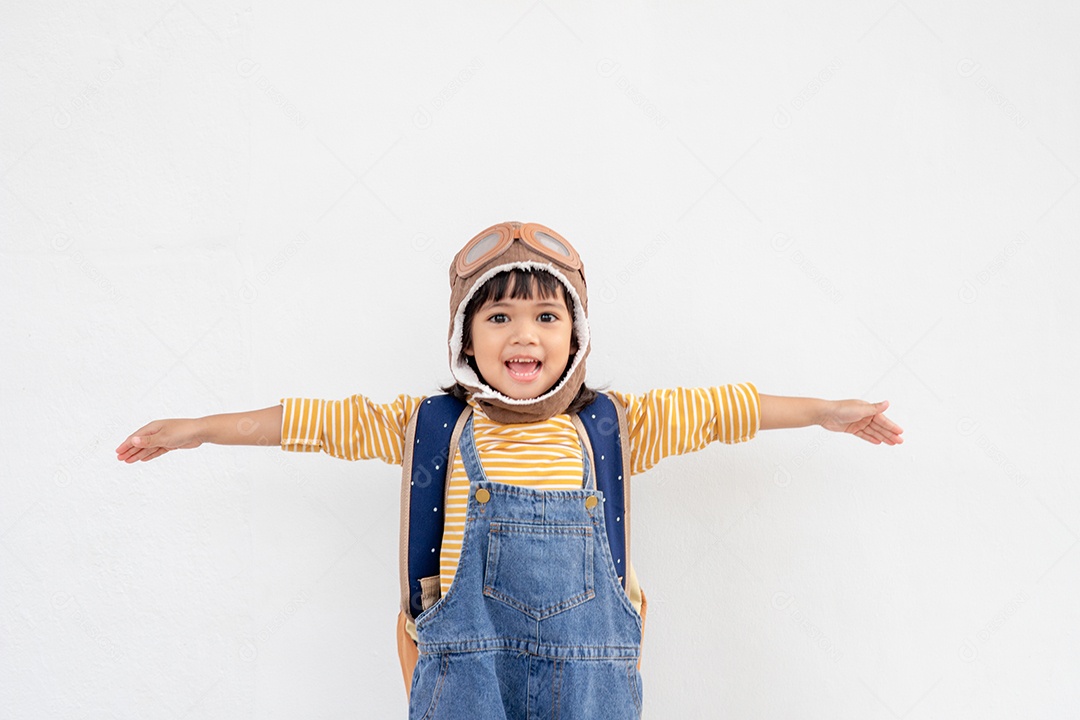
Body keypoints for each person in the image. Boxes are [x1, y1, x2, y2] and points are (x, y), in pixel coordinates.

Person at [116, 221, 903, 718]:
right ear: (465, 338)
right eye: (499, 316)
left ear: (576, 336)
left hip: (591, 685)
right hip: (468, 677)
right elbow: (305, 423)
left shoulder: (614, 427)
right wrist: (195, 430)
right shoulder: (431, 426)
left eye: (546, 316)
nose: (523, 336)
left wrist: (827, 411)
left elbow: (728, 407)